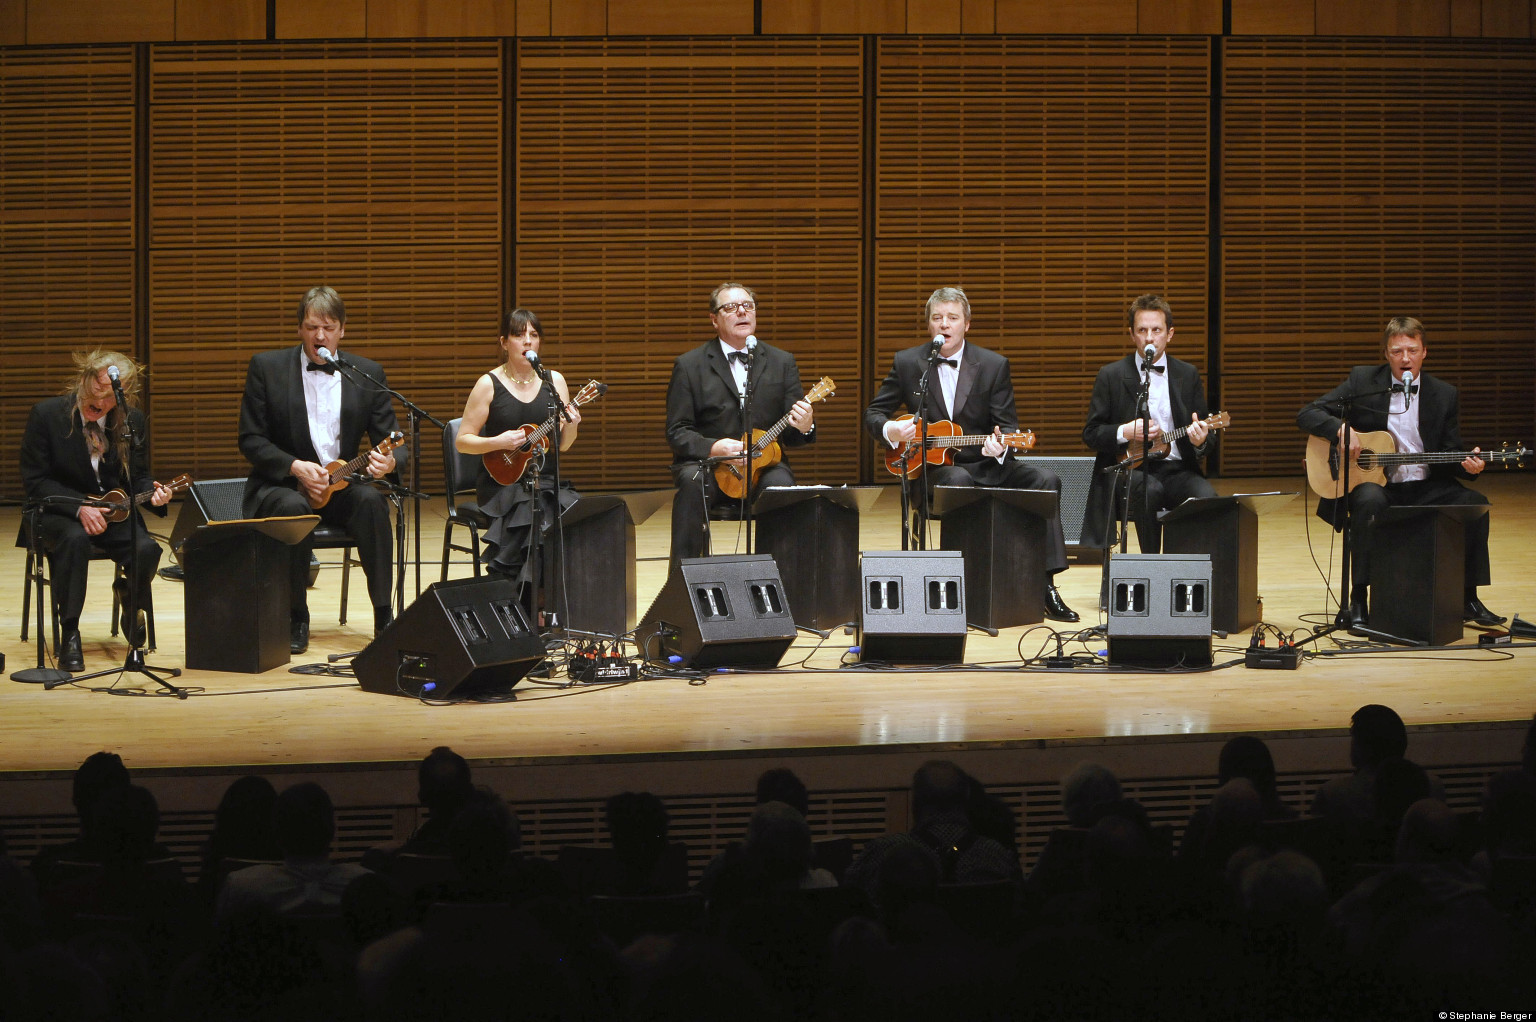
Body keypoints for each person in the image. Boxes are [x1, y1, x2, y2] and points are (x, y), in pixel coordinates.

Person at [864, 286, 1078, 622]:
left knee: (1045, 479)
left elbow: (1008, 428)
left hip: (987, 463)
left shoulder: (993, 365)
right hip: (936, 473)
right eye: (937, 318)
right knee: (958, 479)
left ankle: (1045, 583)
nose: (944, 325)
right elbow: (874, 413)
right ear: (929, 325)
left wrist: (1001, 445)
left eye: (952, 318)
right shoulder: (908, 362)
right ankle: (957, 585)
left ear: (967, 324)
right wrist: (893, 430)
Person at [1297, 315, 1501, 629]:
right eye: (1397, 351)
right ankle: (1359, 598)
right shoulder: (1363, 381)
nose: (1405, 358)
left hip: (1425, 484)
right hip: (1379, 484)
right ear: (1386, 354)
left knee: (1474, 504)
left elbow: (1450, 450)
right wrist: (1341, 430)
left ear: (1424, 352)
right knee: (1368, 500)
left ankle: (1467, 598)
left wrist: (1470, 466)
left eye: (1412, 350)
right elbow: (1307, 413)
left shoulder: (1444, 394)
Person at [238, 286, 405, 654]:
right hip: (281, 487)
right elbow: (250, 440)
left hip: (340, 485)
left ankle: (384, 615)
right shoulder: (266, 368)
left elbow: (394, 441)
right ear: (300, 328)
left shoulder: (367, 373)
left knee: (373, 504)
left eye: (328, 327)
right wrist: (295, 467)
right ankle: (296, 616)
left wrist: (389, 462)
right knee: (294, 511)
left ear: (342, 331)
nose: (320, 336)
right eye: (312, 327)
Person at [20, 350, 174, 672]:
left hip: (109, 511)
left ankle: (130, 603)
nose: (99, 402)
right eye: (94, 390)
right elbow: (36, 481)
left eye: (109, 396)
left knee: (146, 548)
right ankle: (70, 631)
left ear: (123, 394)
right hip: (57, 512)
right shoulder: (47, 415)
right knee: (74, 541)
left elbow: (138, 477)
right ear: (83, 378)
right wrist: (79, 507)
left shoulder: (130, 421)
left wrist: (155, 495)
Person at [665, 282, 816, 569]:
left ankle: (777, 581)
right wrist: (713, 447)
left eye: (748, 305)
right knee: (691, 483)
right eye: (731, 307)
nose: (741, 312)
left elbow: (794, 438)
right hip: (708, 465)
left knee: (782, 487)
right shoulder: (689, 366)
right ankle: (681, 586)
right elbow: (677, 431)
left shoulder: (782, 362)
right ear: (714, 319)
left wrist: (805, 426)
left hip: (764, 464)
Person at [453, 308, 581, 612]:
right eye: (519, 335)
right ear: (504, 342)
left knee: (575, 514)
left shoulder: (555, 382)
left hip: (544, 482)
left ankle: (551, 610)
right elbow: (463, 441)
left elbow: (563, 446)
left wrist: (573, 423)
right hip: (502, 486)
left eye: (534, 335)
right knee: (532, 515)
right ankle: (517, 608)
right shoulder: (488, 384)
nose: (528, 342)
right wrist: (498, 441)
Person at [1082, 294, 1217, 553]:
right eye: (1142, 330)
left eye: (1157, 330)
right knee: (1149, 492)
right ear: (1132, 334)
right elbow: (1091, 434)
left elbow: (1206, 435)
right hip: (1129, 471)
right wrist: (1124, 431)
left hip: (1177, 469)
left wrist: (1199, 441)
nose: (1149, 337)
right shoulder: (1110, 375)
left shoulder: (1187, 375)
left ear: (1170, 334)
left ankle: (1186, 572)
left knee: (1206, 497)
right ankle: (1152, 566)